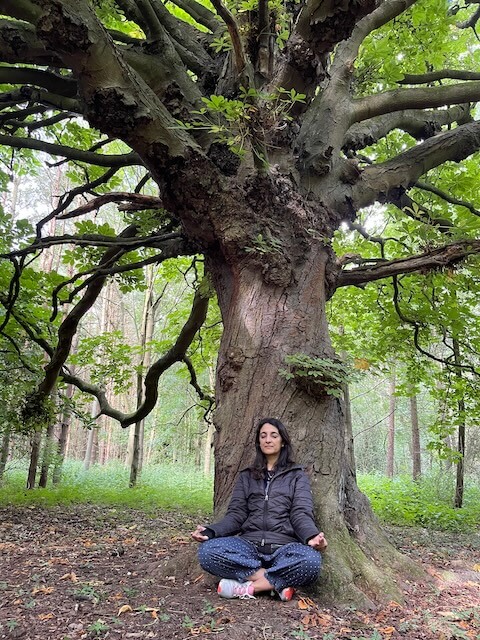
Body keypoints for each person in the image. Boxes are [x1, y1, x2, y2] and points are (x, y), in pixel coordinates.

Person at [191, 418, 327, 601]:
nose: (268, 440)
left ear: (283, 441)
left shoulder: (296, 475)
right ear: (258, 442)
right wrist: (211, 531)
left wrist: (312, 537)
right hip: (249, 546)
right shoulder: (247, 476)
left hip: (284, 546)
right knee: (207, 552)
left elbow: (301, 513)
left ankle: (248, 588)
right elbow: (236, 515)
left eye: (273, 435)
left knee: (310, 562)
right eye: (263, 436)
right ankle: (276, 583)